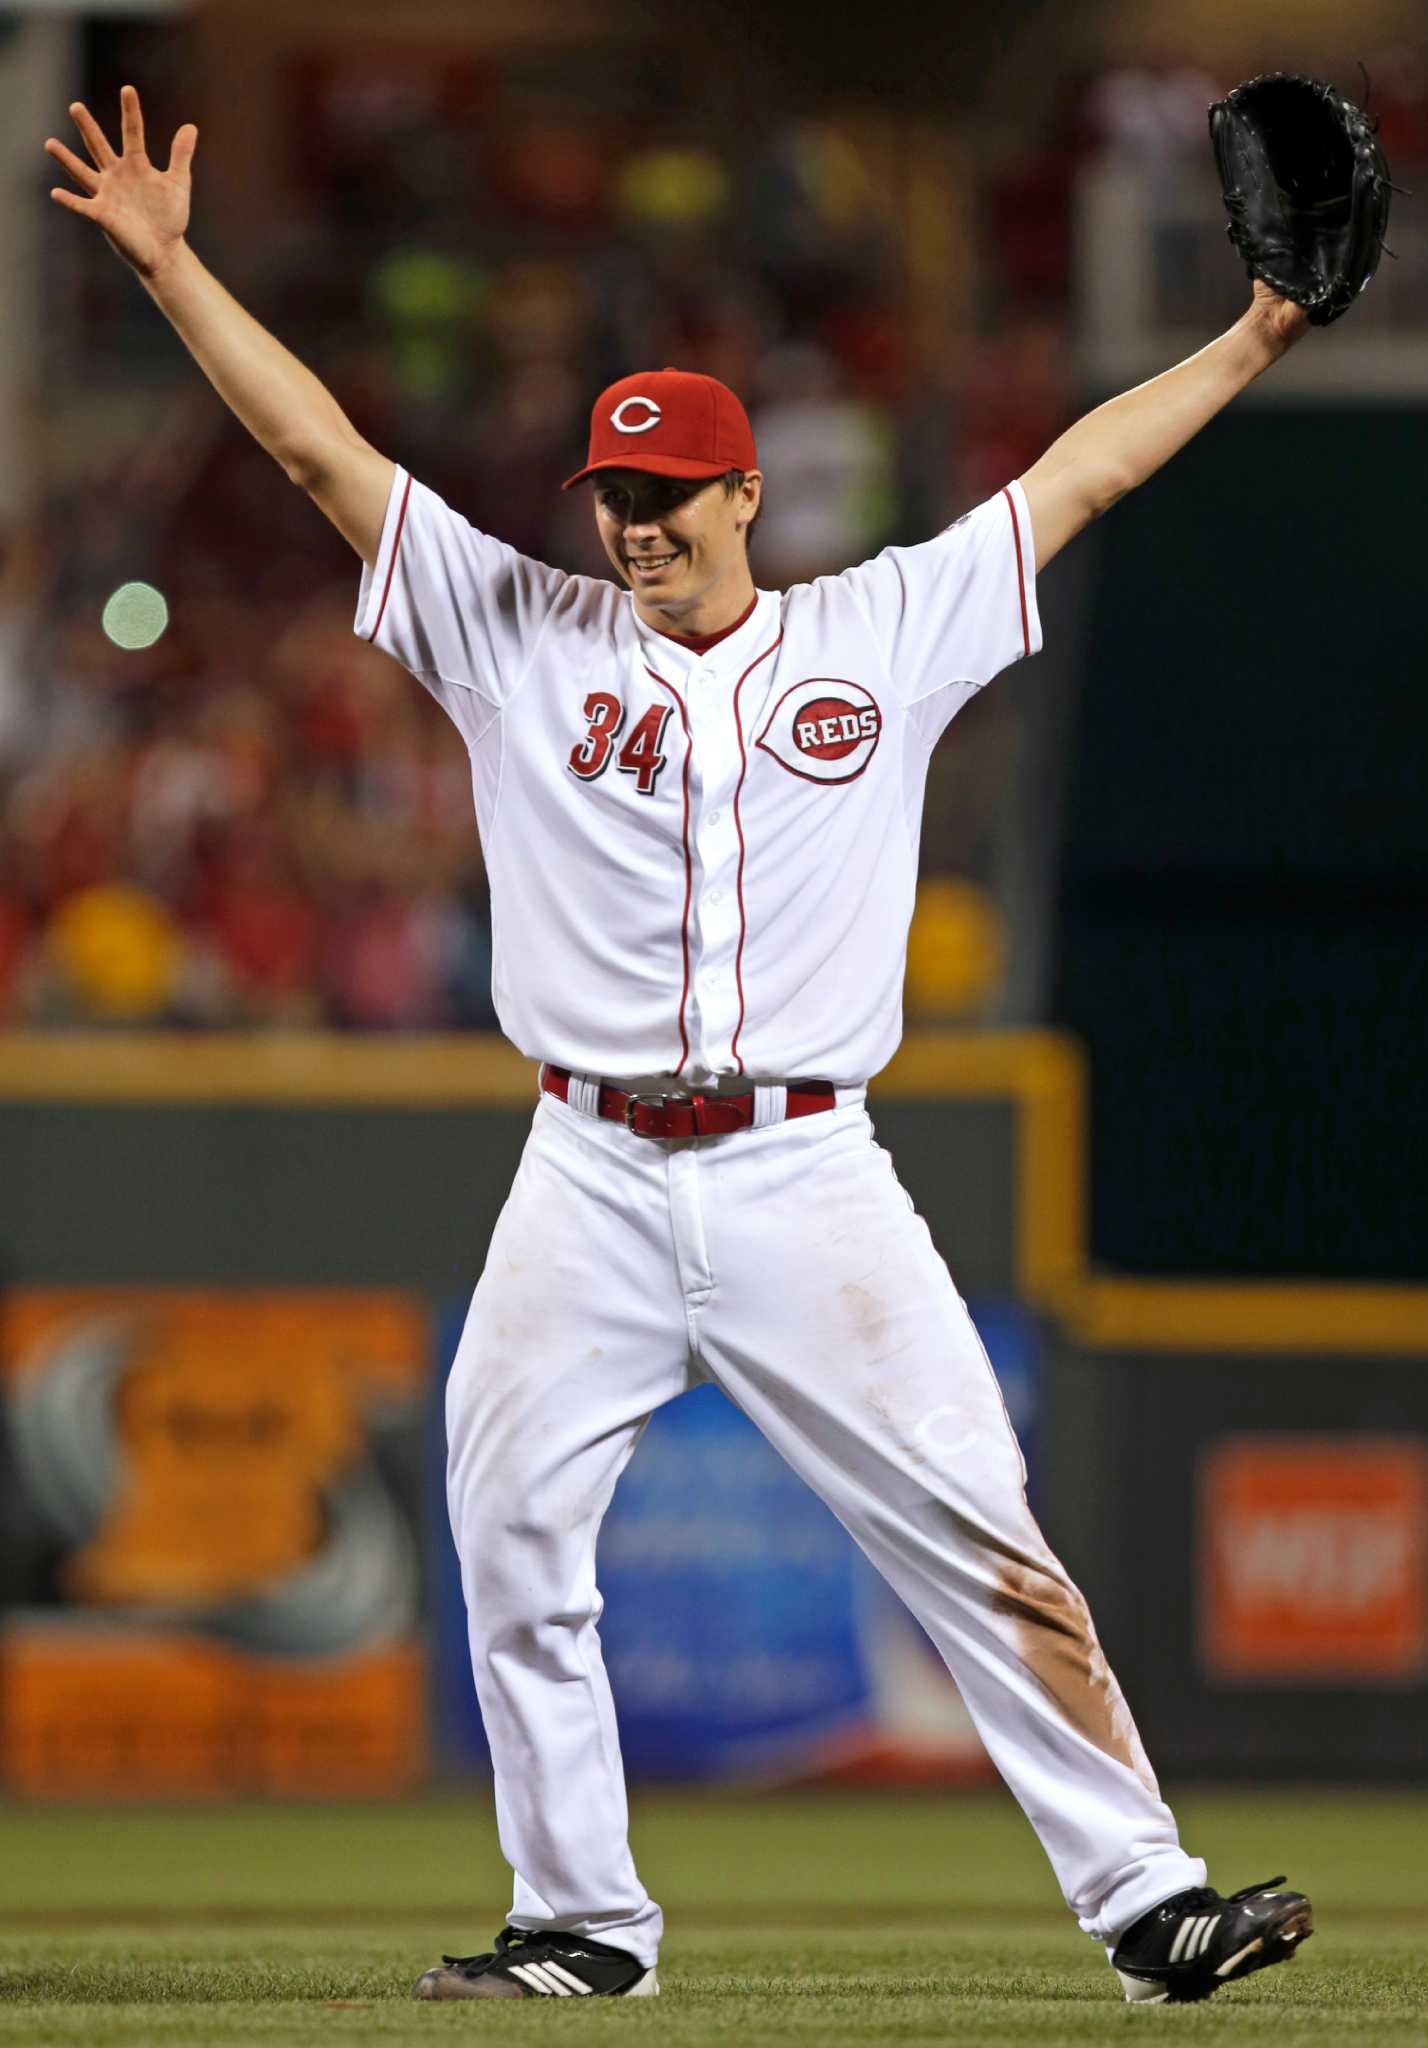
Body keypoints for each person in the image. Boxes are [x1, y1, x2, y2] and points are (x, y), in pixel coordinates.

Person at [48, 87, 1316, 2007]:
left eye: (663, 494)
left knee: (978, 1529)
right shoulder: (518, 630)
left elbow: (1077, 480)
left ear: (743, 497)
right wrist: (169, 266)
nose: (631, 523)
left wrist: (1249, 335)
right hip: (589, 1169)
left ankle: (1149, 1905)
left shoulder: (877, 631)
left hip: (811, 1168)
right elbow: (318, 454)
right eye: (611, 494)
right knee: (505, 1521)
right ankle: (581, 1925)